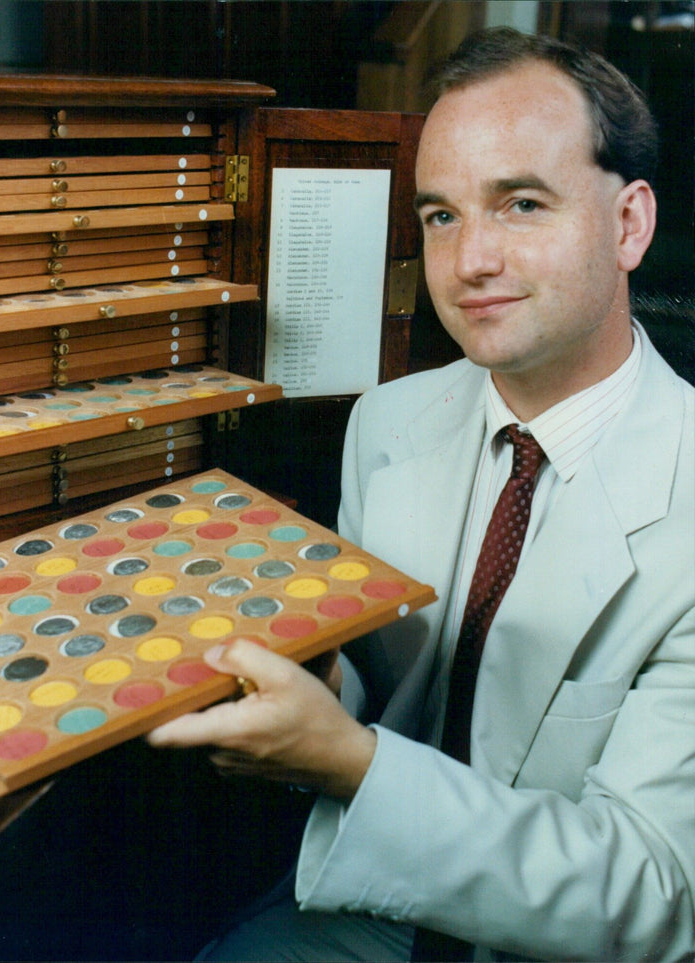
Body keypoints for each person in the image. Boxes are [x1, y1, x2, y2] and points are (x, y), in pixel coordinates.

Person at [148, 27, 695, 962]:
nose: (470, 260)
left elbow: (655, 891)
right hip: (370, 890)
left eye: (520, 203)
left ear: (629, 224)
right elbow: (392, 673)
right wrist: (325, 679)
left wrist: (346, 761)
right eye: (440, 215)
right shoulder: (388, 420)